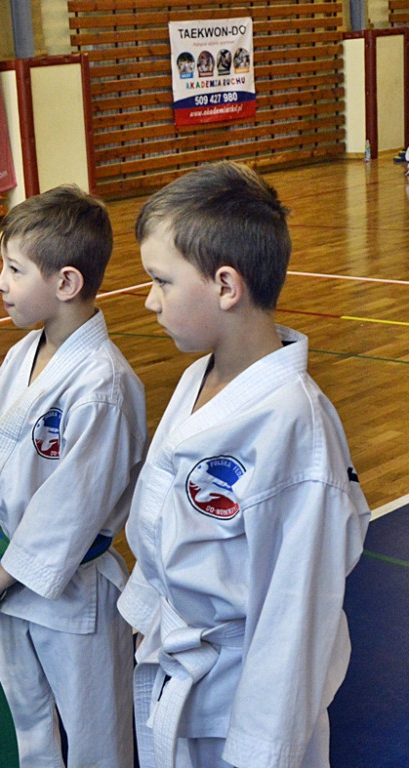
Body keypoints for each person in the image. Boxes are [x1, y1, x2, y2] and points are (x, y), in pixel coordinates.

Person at [117, 161, 371, 768]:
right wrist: (150, 610)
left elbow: (296, 613)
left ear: (226, 286)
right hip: (186, 666)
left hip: (245, 701)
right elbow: (165, 518)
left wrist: (261, 751)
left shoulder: (295, 427)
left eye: (161, 281)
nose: (149, 301)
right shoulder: (197, 378)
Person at [0, 185, 146, 768]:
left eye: (14, 269)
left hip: (73, 595)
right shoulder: (22, 354)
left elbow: (72, 509)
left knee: (96, 737)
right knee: (22, 725)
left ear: (66, 282)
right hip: (4, 579)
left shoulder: (102, 386)